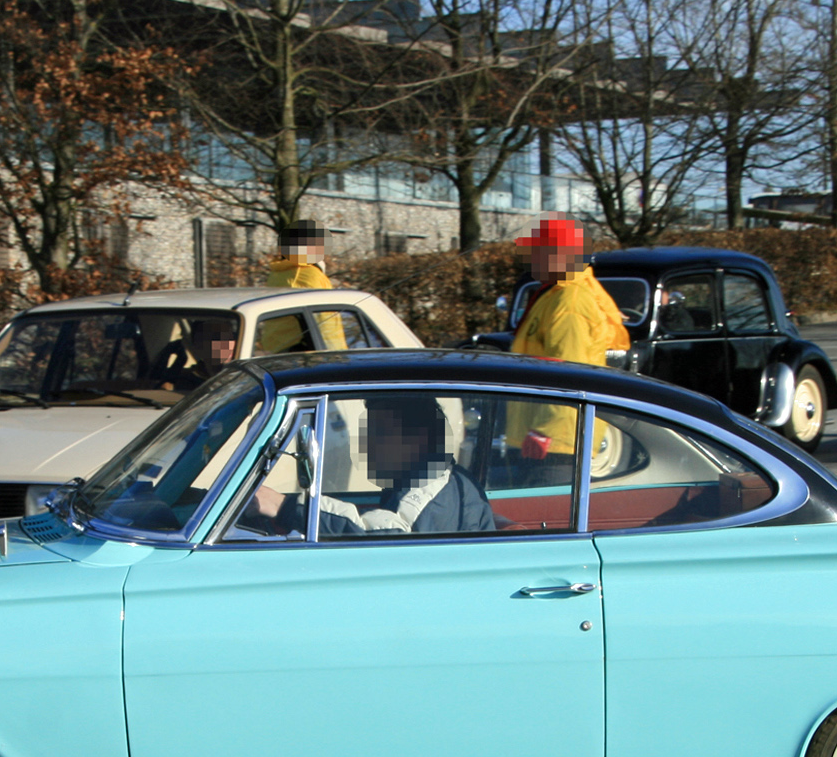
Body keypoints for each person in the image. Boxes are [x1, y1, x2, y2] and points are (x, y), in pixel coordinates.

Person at [250, 393, 495, 536]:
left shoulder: (429, 492)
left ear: (418, 439)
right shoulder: (439, 478)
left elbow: (380, 531)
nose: (367, 445)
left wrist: (282, 505)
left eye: (379, 433)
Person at [507, 217, 627, 475]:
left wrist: (545, 431)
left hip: (555, 442)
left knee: (548, 513)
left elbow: (568, 370)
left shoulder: (569, 301)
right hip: (547, 436)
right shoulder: (556, 294)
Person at [258, 219, 348, 353]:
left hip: (276, 349)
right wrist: (336, 355)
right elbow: (324, 322)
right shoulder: (307, 275)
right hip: (302, 352)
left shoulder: (278, 273)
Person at [150, 317, 237, 391]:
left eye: (231, 337)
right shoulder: (182, 384)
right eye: (217, 339)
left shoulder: (242, 377)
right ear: (198, 345)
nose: (227, 344)